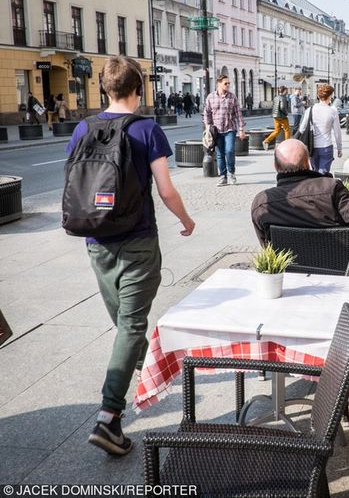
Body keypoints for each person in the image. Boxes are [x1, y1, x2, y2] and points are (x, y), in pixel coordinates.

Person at [66, 55, 195, 456]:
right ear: (138, 88)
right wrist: (187, 221)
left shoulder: (83, 128)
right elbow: (166, 189)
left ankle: (148, 370)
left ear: (105, 88)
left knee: (125, 323)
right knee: (131, 325)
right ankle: (109, 415)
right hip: (137, 241)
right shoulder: (146, 129)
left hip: (96, 242)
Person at [251, 138, 349, 270]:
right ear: (308, 163)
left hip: (290, 276)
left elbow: (267, 246)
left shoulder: (262, 203)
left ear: (276, 167)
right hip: (339, 272)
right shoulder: (331, 188)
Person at [204, 74, 246, 186]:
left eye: (229, 83)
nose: (228, 85)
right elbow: (207, 113)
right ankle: (223, 177)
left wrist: (241, 128)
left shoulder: (232, 97)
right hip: (216, 130)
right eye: (225, 83)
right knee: (220, 154)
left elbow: (238, 114)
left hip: (230, 129)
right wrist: (208, 127)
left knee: (230, 151)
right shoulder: (210, 97)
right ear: (219, 84)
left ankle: (231, 173)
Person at [301, 84, 342, 174]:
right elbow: (337, 132)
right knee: (323, 173)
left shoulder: (310, 110)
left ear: (318, 96)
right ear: (330, 96)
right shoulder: (332, 112)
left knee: (315, 172)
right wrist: (339, 148)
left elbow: (302, 128)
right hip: (326, 146)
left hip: (312, 147)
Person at [263, 86, 291, 150]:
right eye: (286, 90)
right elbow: (282, 107)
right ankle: (288, 144)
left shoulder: (276, 97)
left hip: (275, 116)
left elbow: (273, 106)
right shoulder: (283, 98)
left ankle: (266, 141)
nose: (287, 92)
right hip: (282, 116)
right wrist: (286, 113)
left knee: (276, 131)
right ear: (284, 91)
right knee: (287, 130)